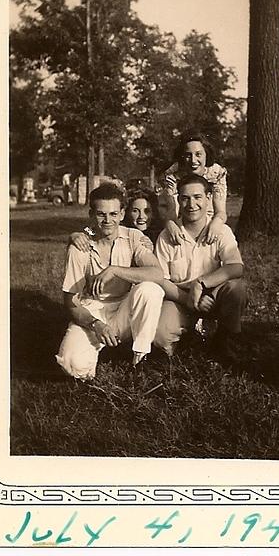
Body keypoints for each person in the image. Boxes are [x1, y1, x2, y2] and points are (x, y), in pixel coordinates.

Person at [56, 183, 164, 377]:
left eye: (113, 214)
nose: (108, 220)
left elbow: (157, 274)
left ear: (122, 214)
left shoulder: (133, 236)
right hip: (92, 311)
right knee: (73, 365)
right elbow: (70, 302)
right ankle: (98, 349)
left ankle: (140, 358)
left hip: (125, 308)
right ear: (91, 214)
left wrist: (115, 270)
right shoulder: (80, 245)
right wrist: (96, 325)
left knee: (150, 290)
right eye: (101, 214)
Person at [154, 173, 246, 359]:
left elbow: (236, 267)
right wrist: (188, 298)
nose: (191, 204)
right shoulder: (167, 236)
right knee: (160, 338)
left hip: (212, 295)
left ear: (209, 198)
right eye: (185, 198)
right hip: (180, 298)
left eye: (197, 197)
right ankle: (188, 338)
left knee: (237, 288)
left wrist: (201, 284)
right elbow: (161, 280)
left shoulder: (220, 231)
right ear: (178, 200)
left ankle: (223, 339)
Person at [161, 132, 228, 246]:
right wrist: (170, 224)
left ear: (206, 154)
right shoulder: (173, 174)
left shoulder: (216, 173)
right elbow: (172, 210)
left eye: (198, 154)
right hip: (183, 224)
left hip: (209, 223)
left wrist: (216, 223)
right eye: (188, 155)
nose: (193, 161)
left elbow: (221, 211)